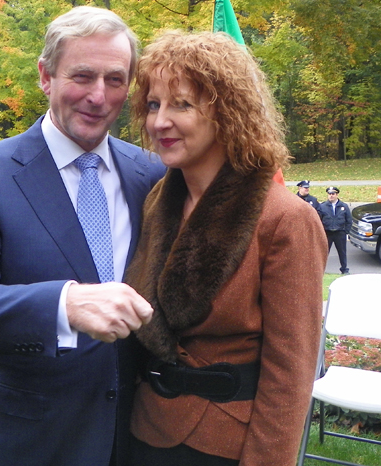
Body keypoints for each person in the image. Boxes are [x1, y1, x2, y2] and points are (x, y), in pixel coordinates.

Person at [0, 6, 165, 466]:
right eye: (82, 76)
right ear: (45, 76)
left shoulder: (151, 173)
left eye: (115, 80)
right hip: (19, 439)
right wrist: (65, 305)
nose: (99, 96)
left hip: (126, 437)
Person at [124, 31, 328, 466]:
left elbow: (290, 374)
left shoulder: (286, 218)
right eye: (154, 104)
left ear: (227, 113)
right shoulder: (158, 200)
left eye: (182, 104)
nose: (160, 122)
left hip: (225, 445)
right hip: (144, 430)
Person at [320, 186, 352, 274]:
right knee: (324, 253)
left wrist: (346, 231)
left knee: (342, 252)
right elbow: (319, 220)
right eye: (329, 194)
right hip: (328, 233)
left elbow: (349, 220)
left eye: (333, 194)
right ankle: (322, 270)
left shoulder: (343, 206)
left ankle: (344, 269)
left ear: (337, 195)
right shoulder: (322, 206)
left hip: (339, 233)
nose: (331, 196)